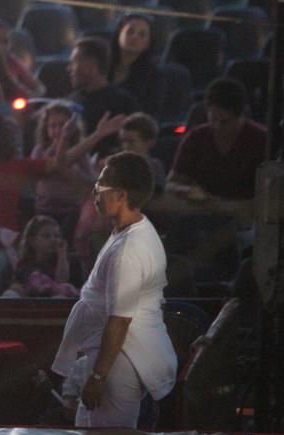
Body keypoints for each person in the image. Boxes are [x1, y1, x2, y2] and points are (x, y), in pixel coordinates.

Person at [51, 152, 177, 428]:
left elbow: (119, 320)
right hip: (111, 357)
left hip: (120, 361)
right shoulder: (126, 233)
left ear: (121, 195)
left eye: (101, 186)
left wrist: (99, 377)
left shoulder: (128, 251)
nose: (95, 192)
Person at [164, 78, 265, 280]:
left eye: (225, 121)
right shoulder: (197, 137)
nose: (217, 126)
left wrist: (232, 207)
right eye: (213, 119)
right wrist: (189, 192)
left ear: (241, 115)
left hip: (245, 215)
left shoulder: (261, 140)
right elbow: (172, 183)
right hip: (203, 210)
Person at [31, 103, 96, 239]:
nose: (57, 130)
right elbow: (34, 173)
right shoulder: (40, 150)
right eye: (52, 126)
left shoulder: (79, 152)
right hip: (45, 208)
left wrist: (72, 172)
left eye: (62, 125)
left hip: (71, 209)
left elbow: (91, 179)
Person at [67, 37, 138, 157]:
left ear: (91, 66)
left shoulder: (122, 102)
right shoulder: (70, 102)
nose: (69, 69)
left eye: (74, 62)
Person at [4, 215, 83, 298]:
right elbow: (19, 286)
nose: (53, 239)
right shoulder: (25, 264)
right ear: (32, 241)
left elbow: (62, 283)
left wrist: (62, 255)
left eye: (56, 236)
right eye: (46, 236)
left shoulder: (70, 262)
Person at [108, 14, 166, 118]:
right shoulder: (102, 64)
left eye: (142, 34)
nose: (134, 37)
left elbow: (148, 113)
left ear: (148, 43)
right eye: (130, 31)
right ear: (119, 34)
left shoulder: (154, 76)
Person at [0, 19, 45, 100]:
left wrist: (34, 96)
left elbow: (37, 87)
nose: (1, 47)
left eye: (5, 42)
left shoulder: (12, 62)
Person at [118, 112, 166, 194]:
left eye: (131, 141)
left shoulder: (155, 166)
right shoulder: (116, 166)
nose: (125, 147)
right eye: (123, 141)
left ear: (149, 142)